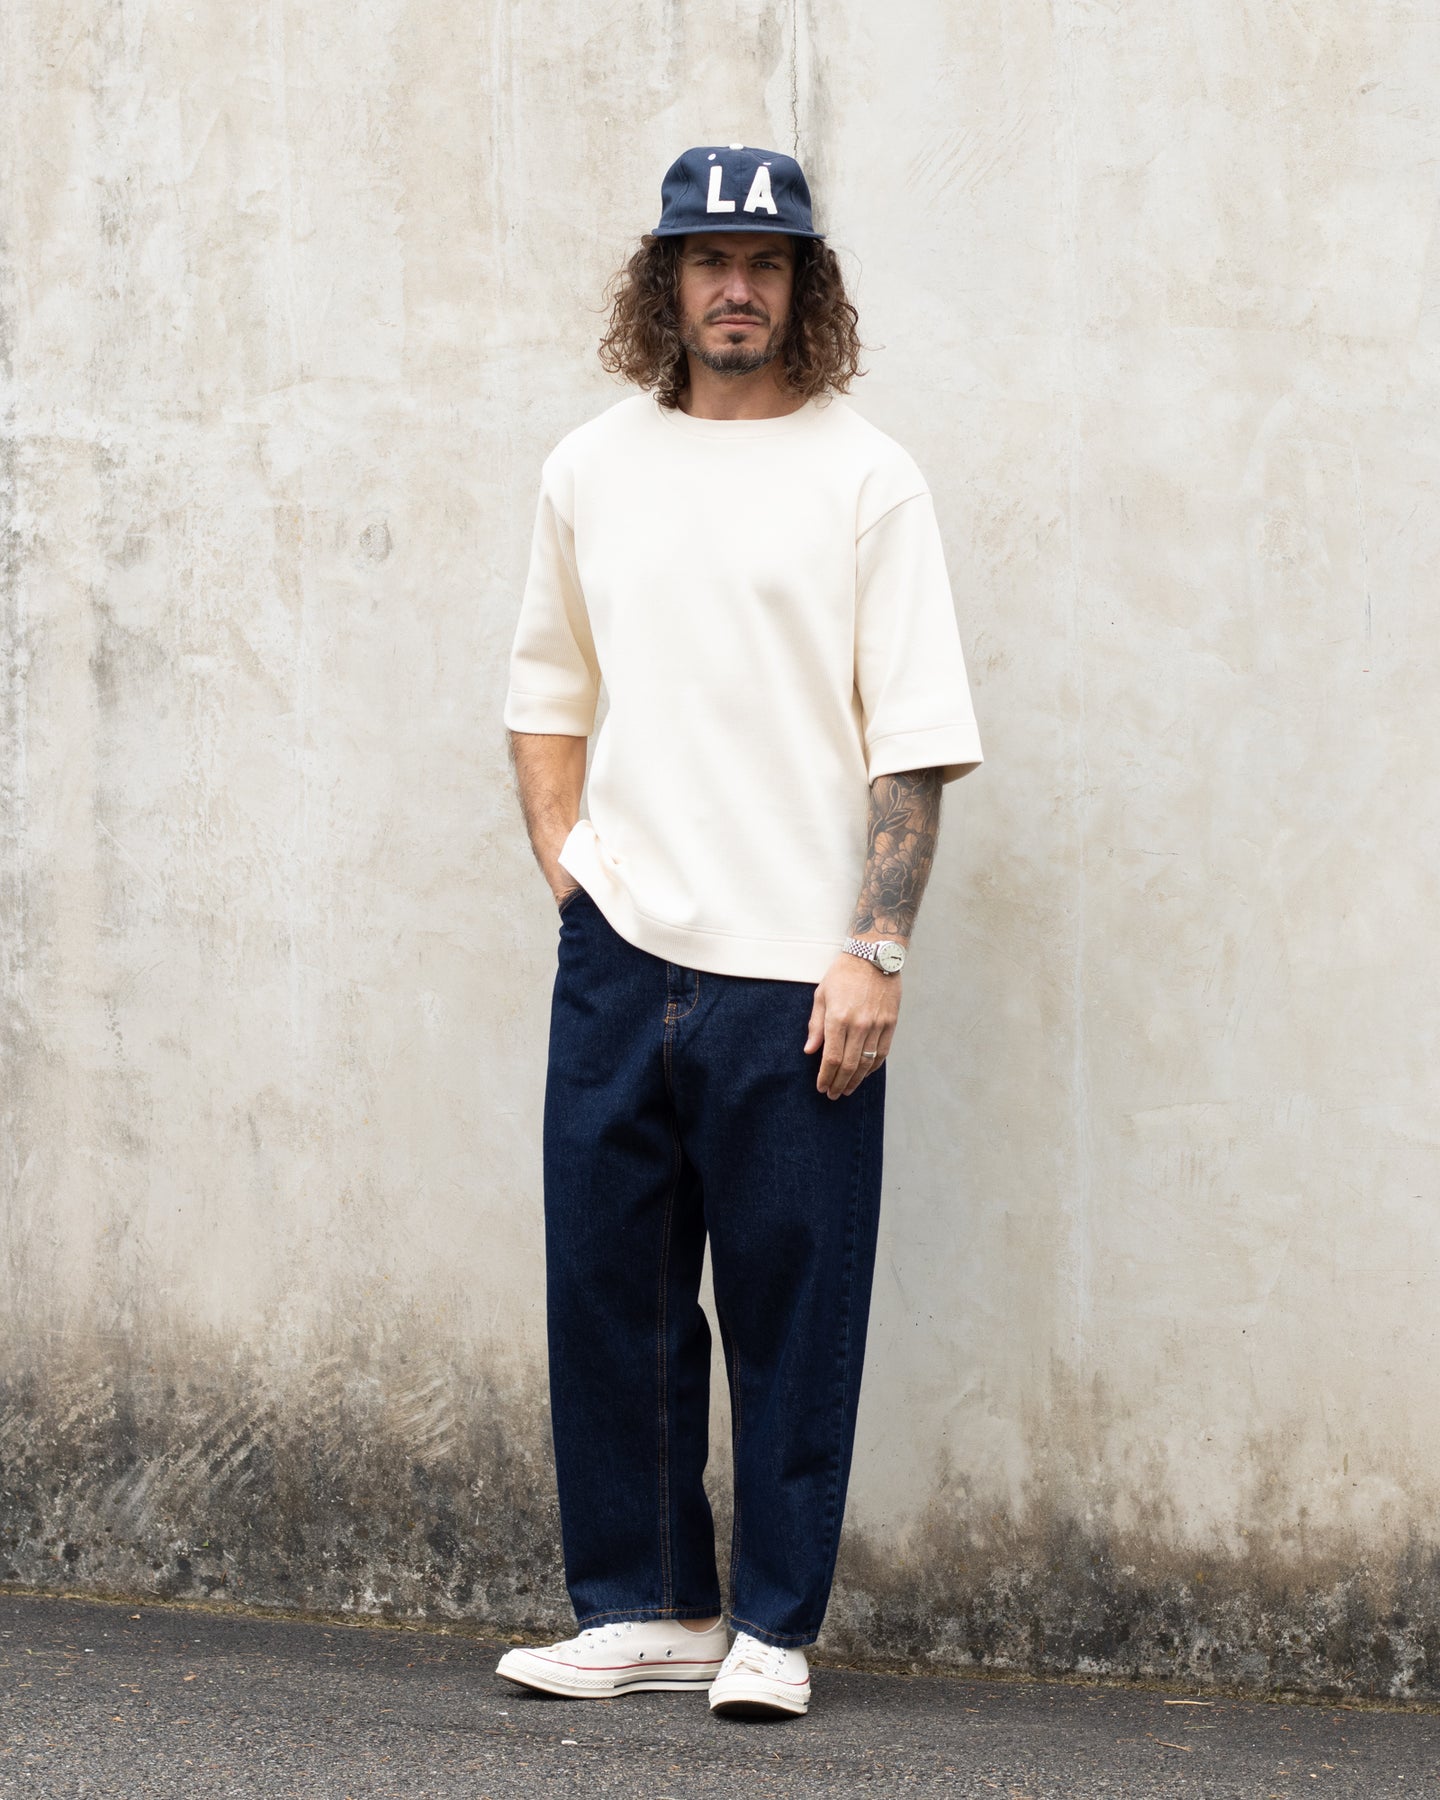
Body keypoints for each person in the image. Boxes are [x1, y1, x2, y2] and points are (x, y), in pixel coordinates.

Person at [496, 142, 982, 1719]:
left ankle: (772, 1626)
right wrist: (576, 875)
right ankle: (648, 1608)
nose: (735, 287)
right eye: (708, 258)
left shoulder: (866, 478)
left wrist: (876, 948)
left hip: (797, 970)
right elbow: (546, 693)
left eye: (765, 263)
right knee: (610, 1296)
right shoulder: (591, 468)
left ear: (804, 288)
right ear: (664, 280)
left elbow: (913, 743)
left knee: (793, 1303)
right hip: (622, 957)